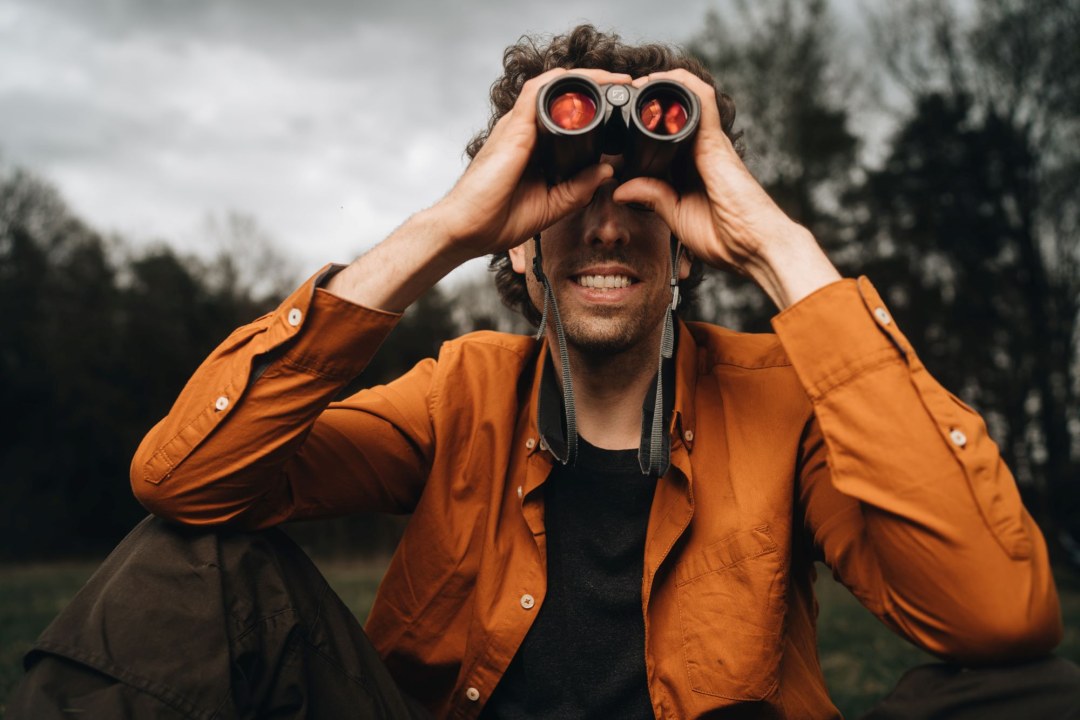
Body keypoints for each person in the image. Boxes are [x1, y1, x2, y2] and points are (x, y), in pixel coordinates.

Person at [11, 24, 1079, 720]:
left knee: (1029, 695)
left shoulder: (782, 401)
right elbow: (185, 480)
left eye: (644, 192)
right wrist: (444, 230)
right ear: (517, 241)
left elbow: (999, 617)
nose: (606, 222)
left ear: (688, 237)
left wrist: (777, 248)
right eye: (565, 191)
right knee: (184, 563)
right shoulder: (459, 391)